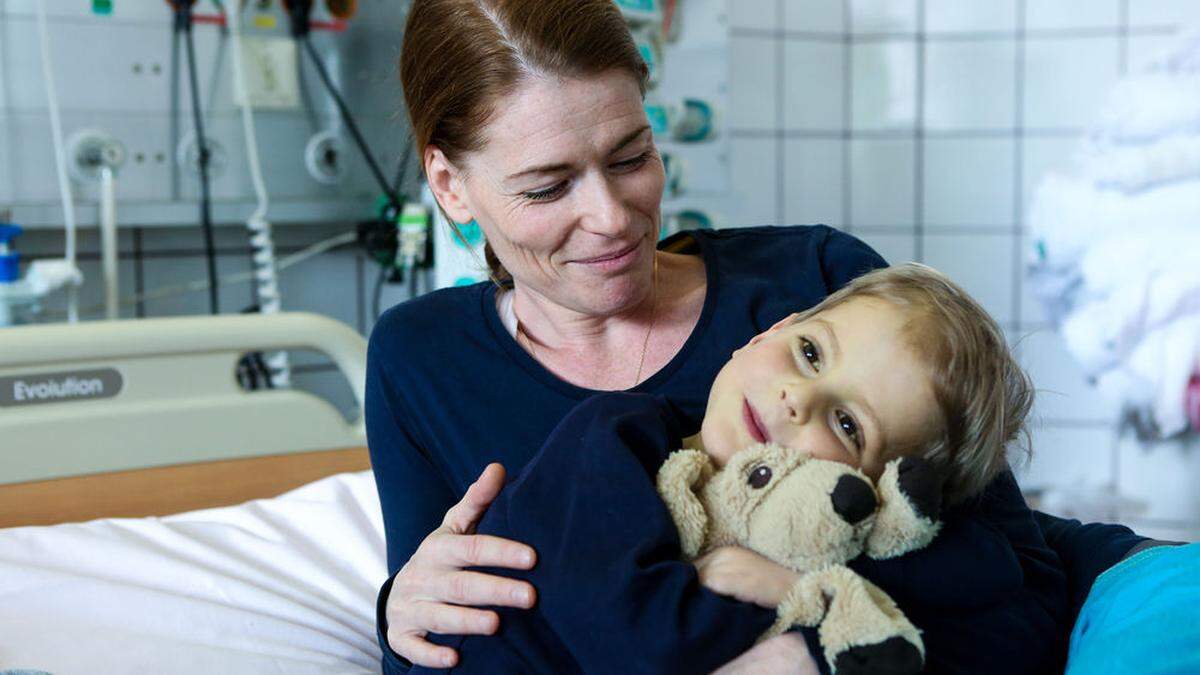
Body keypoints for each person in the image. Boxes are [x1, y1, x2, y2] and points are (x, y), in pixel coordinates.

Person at [368, 0, 1157, 672]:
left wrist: (796, 622)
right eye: (547, 186)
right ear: (450, 184)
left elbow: (1018, 593)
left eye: (631, 155)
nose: (611, 217)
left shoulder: (810, 284)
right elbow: (437, 627)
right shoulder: (420, 360)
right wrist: (396, 606)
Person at [401, 263, 1069, 674]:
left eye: (846, 425)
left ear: (883, 495)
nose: (796, 398)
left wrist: (792, 581)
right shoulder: (607, 447)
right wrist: (788, 601)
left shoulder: (820, 538)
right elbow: (646, 652)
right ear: (765, 333)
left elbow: (990, 572)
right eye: (809, 352)